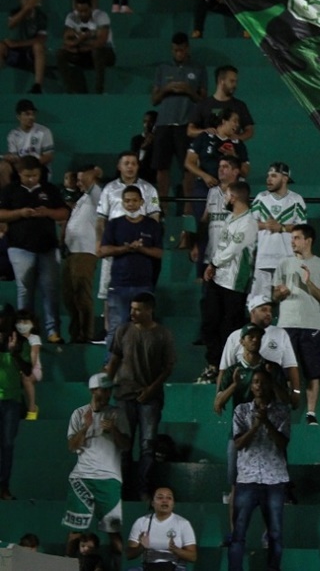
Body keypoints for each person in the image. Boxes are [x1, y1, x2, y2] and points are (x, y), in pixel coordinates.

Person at [103, 292, 175, 501]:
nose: (132, 312)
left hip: (150, 398)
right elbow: (115, 359)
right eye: (131, 308)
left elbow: (168, 367)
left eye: (137, 309)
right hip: (124, 395)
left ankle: (143, 490)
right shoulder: (123, 330)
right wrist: (107, 385)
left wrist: (151, 389)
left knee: (147, 445)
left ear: (149, 310)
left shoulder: (163, 334)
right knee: (123, 445)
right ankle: (123, 490)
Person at [62, 373, 131, 561]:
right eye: (104, 389)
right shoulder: (79, 414)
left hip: (109, 478)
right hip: (82, 478)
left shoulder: (118, 413)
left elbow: (126, 445)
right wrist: (86, 427)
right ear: (93, 390)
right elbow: (72, 446)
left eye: (109, 390)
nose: (107, 393)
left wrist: (113, 430)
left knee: (114, 531)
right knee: (75, 533)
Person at [0, 155, 68, 344]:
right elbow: (1, 214)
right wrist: (20, 213)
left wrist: (48, 212)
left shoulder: (49, 189)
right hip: (19, 247)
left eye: (35, 175)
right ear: (19, 174)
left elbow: (63, 212)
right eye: (27, 176)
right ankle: (25, 332)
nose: (31, 179)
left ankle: (53, 331)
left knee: (50, 289)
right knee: (25, 290)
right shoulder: (10, 191)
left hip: (48, 247)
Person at [229, 370, 292, 571]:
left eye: (263, 382)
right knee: (238, 533)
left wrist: (266, 421)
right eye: (255, 382)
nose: (259, 386)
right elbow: (238, 443)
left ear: (269, 385)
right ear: (251, 386)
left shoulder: (282, 411)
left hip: (274, 480)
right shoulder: (241, 410)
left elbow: (283, 443)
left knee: (275, 534)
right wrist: (256, 425)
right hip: (247, 479)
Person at [272, 222, 320, 424]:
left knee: (312, 371)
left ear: (308, 240)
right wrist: (280, 294)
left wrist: (308, 284)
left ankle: (311, 413)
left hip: (312, 324)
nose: (293, 242)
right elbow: (274, 296)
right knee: (285, 370)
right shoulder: (283, 264)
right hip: (286, 323)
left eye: (297, 238)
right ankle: (283, 409)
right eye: (292, 238)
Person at [197, 181, 257, 384]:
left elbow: (233, 250)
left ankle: (229, 368)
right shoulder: (230, 218)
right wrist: (212, 265)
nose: (224, 199)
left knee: (229, 327)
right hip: (218, 278)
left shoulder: (249, 222)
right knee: (209, 322)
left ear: (233, 197)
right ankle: (213, 365)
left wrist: (212, 263)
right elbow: (221, 246)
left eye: (226, 195)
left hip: (234, 283)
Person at [97, 186, 163, 349]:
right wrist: (125, 248)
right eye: (127, 201)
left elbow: (159, 253)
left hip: (144, 285)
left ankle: (142, 365)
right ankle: (109, 367)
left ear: (142, 202)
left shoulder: (151, 225)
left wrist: (141, 249)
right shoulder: (114, 224)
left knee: (144, 330)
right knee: (116, 329)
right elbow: (103, 250)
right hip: (119, 284)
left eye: (134, 200)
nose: (131, 204)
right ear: (122, 203)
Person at [151, 32, 207, 204]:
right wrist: (167, 89)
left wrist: (188, 90)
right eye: (175, 50)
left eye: (182, 50)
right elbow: (154, 100)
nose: (179, 53)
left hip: (186, 124)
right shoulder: (162, 68)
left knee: (188, 168)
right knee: (162, 167)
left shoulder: (198, 69)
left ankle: (188, 209)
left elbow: (203, 100)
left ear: (187, 48)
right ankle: (162, 208)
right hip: (164, 124)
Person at [218, 295, 301, 409]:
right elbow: (224, 368)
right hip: (244, 400)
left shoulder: (281, 334)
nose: (269, 313)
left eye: (270, 310)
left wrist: (296, 392)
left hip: (274, 399)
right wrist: (219, 396)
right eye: (263, 310)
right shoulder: (235, 336)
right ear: (252, 312)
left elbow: (291, 366)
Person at [253, 162, 306, 297]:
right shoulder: (261, 198)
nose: (268, 179)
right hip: (263, 260)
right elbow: (249, 224)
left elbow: (302, 229)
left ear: (285, 178)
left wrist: (281, 227)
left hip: (287, 261)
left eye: (273, 176)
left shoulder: (296, 200)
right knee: (260, 301)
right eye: (268, 176)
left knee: (288, 303)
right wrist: (266, 225)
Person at [63, 163, 102, 344]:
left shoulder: (98, 195)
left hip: (85, 252)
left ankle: (86, 335)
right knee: (70, 297)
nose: (78, 183)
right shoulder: (82, 199)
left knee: (82, 294)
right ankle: (75, 333)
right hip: (71, 253)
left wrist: (93, 172)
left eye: (80, 179)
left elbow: (88, 180)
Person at [125, 486, 197, 569]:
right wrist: (141, 547)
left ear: (173, 504)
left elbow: (193, 557)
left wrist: (175, 549)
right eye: (160, 497)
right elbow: (129, 555)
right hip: (148, 567)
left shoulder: (183, 523)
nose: (164, 500)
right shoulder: (141, 522)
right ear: (153, 503)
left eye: (169, 498)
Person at [57, 0, 115, 95]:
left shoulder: (101, 16)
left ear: (91, 8)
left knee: (97, 52)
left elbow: (101, 42)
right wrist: (81, 39)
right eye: (80, 11)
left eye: (85, 11)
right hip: (83, 52)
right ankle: (69, 91)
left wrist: (78, 44)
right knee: (61, 54)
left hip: (105, 53)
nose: (83, 14)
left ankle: (99, 91)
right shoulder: (71, 17)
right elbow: (66, 40)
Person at [1, 317, 32, 500]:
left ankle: (3, 486)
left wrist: (14, 354)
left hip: (11, 402)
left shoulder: (19, 344)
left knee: (7, 445)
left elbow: (28, 371)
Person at [188, 65, 255, 142]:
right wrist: (205, 131)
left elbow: (249, 130)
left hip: (231, 150)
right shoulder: (203, 104)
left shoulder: (240, 105)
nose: (235, 85)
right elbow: (190, 131)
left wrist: (238, 138)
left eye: (236, 81)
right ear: (221, 81)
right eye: (232, 81)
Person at [1, 0, 47, 94]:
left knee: (39, 47)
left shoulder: (41, 16)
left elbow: (41, 39)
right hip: (12, 51)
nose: (28, 1)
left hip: (28, 50)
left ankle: (37, 86)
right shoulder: (14, 12)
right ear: (20, 0)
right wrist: (26, 9)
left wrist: (18, 44)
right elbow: (11, 24)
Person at [1, 98, 54, 188]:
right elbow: (15, 158)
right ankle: (8, 195)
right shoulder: (13, 135)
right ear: (18, 116)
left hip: (38, 166)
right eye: (27, 114)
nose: (31, 117)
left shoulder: (44, 131)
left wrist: (30, 165)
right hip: (20, 167)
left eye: (33, 114)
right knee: (2, 167)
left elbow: (48, 156)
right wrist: (13, 160)